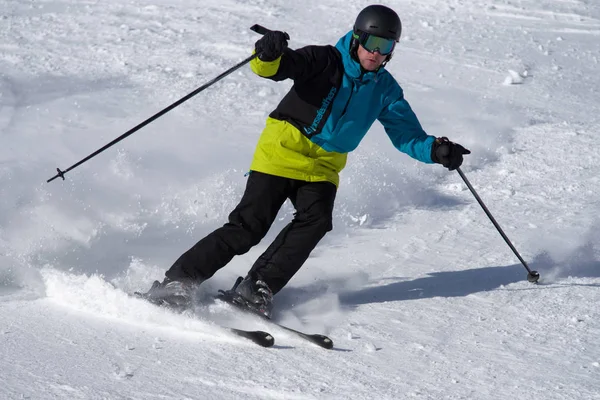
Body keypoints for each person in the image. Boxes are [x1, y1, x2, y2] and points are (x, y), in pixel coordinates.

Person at [140, 4, 470, 318]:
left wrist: (435, 150)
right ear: (357, 37)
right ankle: (177, 282)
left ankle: (256, 289)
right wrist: (268, 54)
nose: (376, 52)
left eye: (386, 46)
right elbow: (278, 68)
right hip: (281, 152)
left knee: (317, 220)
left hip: (324, 166)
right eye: (372, 42)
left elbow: (406, 134)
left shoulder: (386, 90)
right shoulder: (323, 59)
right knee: (248, 227)